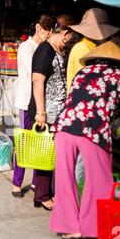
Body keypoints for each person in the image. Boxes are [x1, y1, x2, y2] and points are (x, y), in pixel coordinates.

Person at [49, 41, 120, 239]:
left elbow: (75, 98)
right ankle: (92, 227)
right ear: (119, 62)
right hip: (93, 130)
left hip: (64, 127)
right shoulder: (118, 75)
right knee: (99, 180)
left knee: (65, 180)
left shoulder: (83, 72)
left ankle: (71, 229)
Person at [65, 8, 120, 199]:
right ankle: (81, 205)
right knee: (82, 167)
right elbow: (91, 86)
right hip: (83, 117)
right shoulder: (84, 50)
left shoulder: (87, 48)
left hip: (83, 115)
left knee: (82, 166)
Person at [27, 14, 76, 211]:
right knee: (44, 153)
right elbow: (37, 80)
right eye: (72, 36)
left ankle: (42, 191)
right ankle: (42, 195)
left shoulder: (56, 50)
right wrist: (41, 112)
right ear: (65, 33)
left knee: (49, 152)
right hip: (45, 110)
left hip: (56, 110)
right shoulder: (45, 50)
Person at [11, 14, 54, 198]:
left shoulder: (45, 48)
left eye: (51, 30)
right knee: (26, 142)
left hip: (41, 102)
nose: (48, 33)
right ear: (38, 27)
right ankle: (16, 183)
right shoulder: (26, 48)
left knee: (41, 143)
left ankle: (37, 182)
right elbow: (35, 75)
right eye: (46, 29)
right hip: (27, 101)